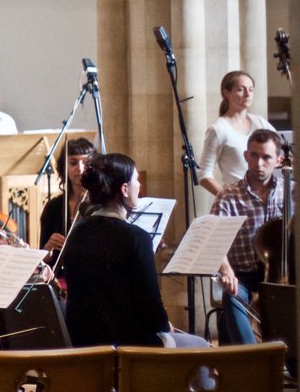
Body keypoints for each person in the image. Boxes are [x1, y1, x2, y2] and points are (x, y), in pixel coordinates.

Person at [59, 153, 205, 347]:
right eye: (136, 180)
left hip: (84, 344)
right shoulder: (137, 238)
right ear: (125, 189)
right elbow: (152, 309)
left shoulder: (76, 234)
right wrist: (165, 325)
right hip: (130, 345)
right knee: (200, 346)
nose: (139, 186)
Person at [211, 128, 284, 345]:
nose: (259, 163)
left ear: (278, 160)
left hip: (280, 274)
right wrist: (226, 271)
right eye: (254, 156)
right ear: (246, 156)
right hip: (243, 274)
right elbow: (216, 241)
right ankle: (253, 359)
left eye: (266, 157)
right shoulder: (228, 196)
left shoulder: (290, 192)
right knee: (233, 296)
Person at [198, 71, 274, 195]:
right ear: (226, 93)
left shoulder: (260, 122)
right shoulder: (219, 129)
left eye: (251, 89)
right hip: (239, 200)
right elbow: (203, 175)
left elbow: (281, 149)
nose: (247, 94)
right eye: (240, 90)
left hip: (267, 198)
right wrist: (229, 199)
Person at [38, 136, 95, 261]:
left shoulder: (101, 205)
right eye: (73, 163)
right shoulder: (53, 207)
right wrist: (48, 248)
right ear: (64, 167)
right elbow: (42, 260)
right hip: (60, 277)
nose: (79, 168)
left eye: (85, 162)